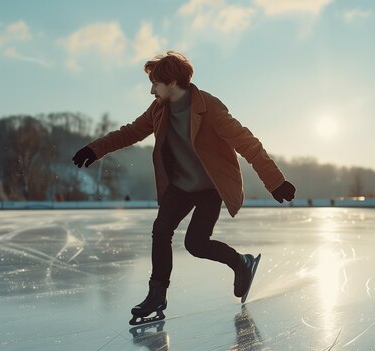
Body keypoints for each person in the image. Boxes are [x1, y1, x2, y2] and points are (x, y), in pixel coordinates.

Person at [72, 51, 296, 325]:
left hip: (209, 188)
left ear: (173, 82)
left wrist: (275, 180)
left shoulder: (209, 107)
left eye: (155, 83)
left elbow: (245, 142)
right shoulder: (158, 110)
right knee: (161, 230)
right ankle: (156, 296)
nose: (151, 90)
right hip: (179, 185)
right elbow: (130, 132)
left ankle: (241, 263)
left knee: (196, 244)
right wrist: (95, 149)